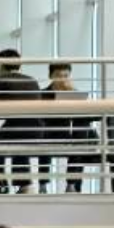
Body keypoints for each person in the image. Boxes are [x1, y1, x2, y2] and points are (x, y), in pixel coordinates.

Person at [0, 49, 44, 193]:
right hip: (37, 129)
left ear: (0, 64)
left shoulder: (2, 80)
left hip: (18, 127)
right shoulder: (31, 80)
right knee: (19, 148)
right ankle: (24, 185)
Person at [37, 63, 88, 193]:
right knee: (44, 139)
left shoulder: (72, 93)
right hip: (46, 134)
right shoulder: (42, 94)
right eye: (58, 76)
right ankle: (43, 184)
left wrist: (73, 92)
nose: (62, 79)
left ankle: (72, 184)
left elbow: (85, 113)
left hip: (65, 134)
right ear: (51, 76)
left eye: (66, 76)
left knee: (80, 138)